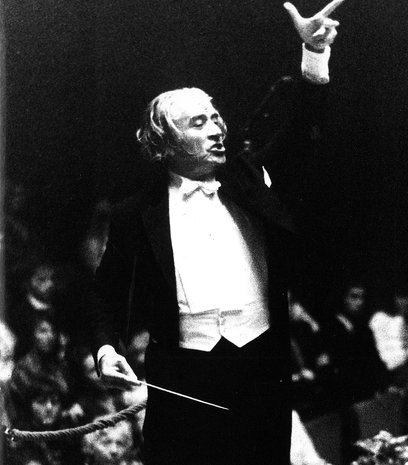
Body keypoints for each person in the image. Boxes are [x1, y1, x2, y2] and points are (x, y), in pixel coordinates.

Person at [86, 2, 344, 464]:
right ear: (164, 143)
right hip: (182, 377)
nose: (217, 128)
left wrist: (313, 54)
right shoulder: (136, 214)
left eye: (216, 117)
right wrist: (106, 350)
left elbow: (303, 130)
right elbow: (103, 294)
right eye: (198, 122)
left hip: (261, 366)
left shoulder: (251, 178)